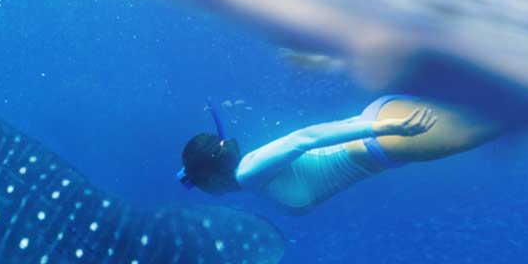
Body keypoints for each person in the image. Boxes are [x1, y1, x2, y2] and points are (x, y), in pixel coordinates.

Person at [178, 96, 498, 212]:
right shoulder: (251, 176)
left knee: (503, 118)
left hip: (386, 139)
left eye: (199, 184)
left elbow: (305, 138)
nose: (203, 192)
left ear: (211, 177)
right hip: (384, 134)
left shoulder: (247, 174)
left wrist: (384, 128)